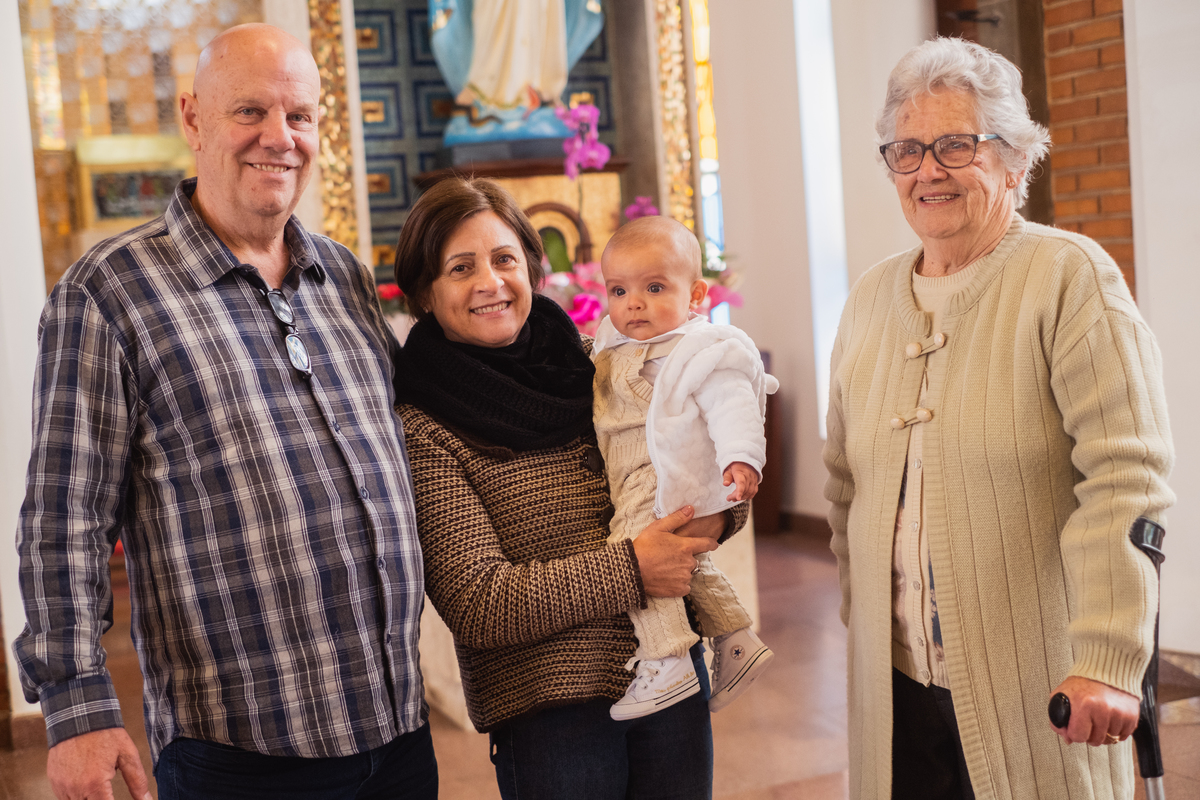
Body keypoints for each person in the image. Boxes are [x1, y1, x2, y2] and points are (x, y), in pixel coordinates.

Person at [13, 24, 436, 800]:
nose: (279, 138)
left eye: (299, 116)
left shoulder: (340, 275)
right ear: (193, 119)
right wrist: (76, 709)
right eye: (250, 111)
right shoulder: (106, 293)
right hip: (241, 756)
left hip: (398, 731)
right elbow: (63, 518)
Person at [822, 37, 1174, 800]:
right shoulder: (869, 299)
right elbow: (842, 479)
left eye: (956, 145)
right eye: (907, 150)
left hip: (1041, 690)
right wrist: (865, 628)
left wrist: (1110, 659)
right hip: (896, 690)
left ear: (1015, 161)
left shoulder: (1068, 276)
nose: (928, 170)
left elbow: (1125, 476)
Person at [392, 176, 744, 799]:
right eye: (460, 267)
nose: (490, 282)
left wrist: (719, 512)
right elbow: (479, 603)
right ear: (424, 292)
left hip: (669, 668)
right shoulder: (425, 427)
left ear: (532, 266)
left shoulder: (598, 366)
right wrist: (633, 569)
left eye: (505, 259)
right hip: (551, 713)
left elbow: (690, 445)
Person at [592, 216, 776, 720]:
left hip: (663, 473)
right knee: (686, 564)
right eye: (619, 290)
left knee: (633, 555)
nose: (634, 303)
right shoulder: (611, 345)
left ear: (695, 294)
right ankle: (735, 639)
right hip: (628, 473)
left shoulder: (702, 348)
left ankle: (667, 657)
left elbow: (734, 404)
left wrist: (742, 458)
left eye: (654, 287)